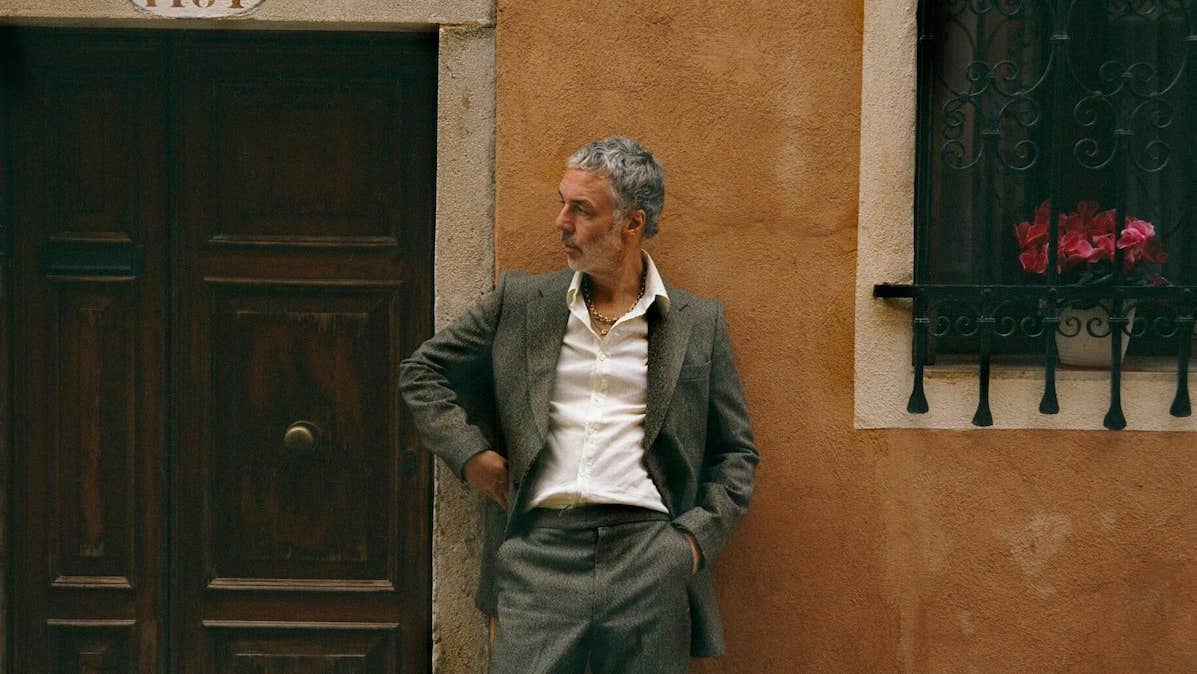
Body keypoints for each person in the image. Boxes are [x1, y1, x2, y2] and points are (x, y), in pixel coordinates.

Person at [399, 136, 759, 673]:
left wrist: (689, 544)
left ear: (632, 224)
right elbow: (422, 371)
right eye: (561, 202)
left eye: (581, 210)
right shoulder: (523, 302)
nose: (561, 222)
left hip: (649, 557)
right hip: (539, 554)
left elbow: (736, 453)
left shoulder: (696, 323)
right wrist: (470, 453)